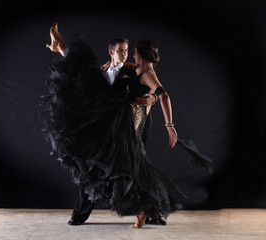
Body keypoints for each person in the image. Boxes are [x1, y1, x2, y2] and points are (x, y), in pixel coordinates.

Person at [41, 22, 211, 228]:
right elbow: (103, 72)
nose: (126, 55)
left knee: (132, 170)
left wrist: (154, 101)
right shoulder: (103, 70)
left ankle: (150, 213)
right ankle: (80, 214)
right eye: (121, 51)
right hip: (102, 126)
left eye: (128, 51)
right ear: (111, 52)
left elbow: (153, 87)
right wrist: (108, 65)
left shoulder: (133, 71)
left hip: (125, 129)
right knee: (93, 169)